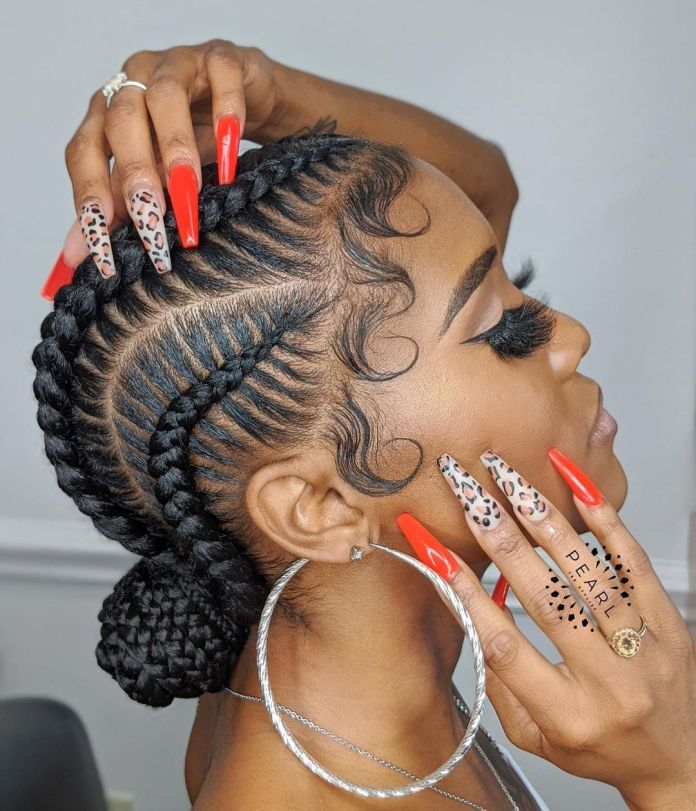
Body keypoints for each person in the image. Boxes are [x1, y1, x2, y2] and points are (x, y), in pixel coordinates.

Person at [34, 41, 695, 810]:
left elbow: (483, 186)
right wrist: (674, 775)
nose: (572, 337)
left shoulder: (317, 657)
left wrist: (273, 96)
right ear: (317, 506)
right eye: (502, 332)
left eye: (521, 291)